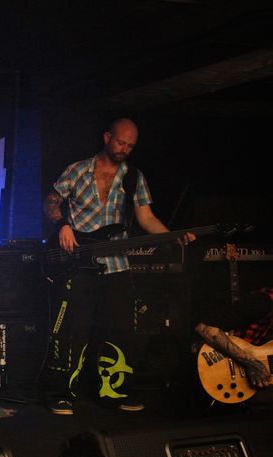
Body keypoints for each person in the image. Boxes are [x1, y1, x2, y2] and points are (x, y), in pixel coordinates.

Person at [41, 118, 195, 415]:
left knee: (119, 331)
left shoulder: (134, 177)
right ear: (107, 137)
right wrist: (62, 226)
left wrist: (172, 237)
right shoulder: (77, 170)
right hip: (78, 265)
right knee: (74, 330)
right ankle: (61, 393)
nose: (124, 149)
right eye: (120, 142)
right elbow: (50, 203)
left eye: (130, 146)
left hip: (116, 266)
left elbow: (146, 217)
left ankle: (113, 392)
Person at [194, 286, 272, 390]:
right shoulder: (261, 302)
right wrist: (251, 363)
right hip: (219, 365)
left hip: (251, 382)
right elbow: (205, 329)